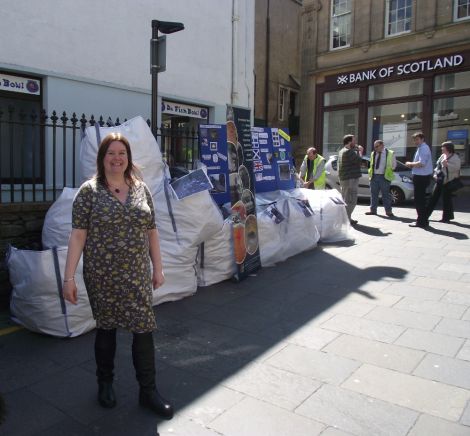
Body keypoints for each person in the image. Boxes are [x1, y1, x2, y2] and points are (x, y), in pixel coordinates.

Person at [63, 133, 174, 419]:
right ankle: (105, 384)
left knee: (143, 328)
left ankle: (148, 391)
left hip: (136, 273)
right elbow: (77, 235)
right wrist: (69, 278)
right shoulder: (89, 191)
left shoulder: (141, 189)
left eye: (121, 153)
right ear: (102, 158)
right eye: (111, 153)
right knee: (107, 327)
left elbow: (152, 231)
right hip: (102, 274)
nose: (117, 158)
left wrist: (158, 268)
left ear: (128, 158)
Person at [426, 141, 461, 223]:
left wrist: (447, 165)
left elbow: (457, 167)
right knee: (433, 198)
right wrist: (435, 174)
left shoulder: (455, 157)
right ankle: (425, 215)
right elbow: (437, 166)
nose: (441, 148)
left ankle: (446, 217)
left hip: (448, 181)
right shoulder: (442, 156)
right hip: (440, 179)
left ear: (448, 148)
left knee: (447, 199)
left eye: (443, 147)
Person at [405, 132, 433, 228]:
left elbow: (421, 163)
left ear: (422, 139)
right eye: (414, 140)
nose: (415, 142)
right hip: (420, 176)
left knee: (419, 200)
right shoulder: (421, 148)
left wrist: (410, 164)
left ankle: (421, 222)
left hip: (421, 177)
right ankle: (423, 220)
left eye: (417, 139)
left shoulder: (424, 148)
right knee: (420, 200)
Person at [366, 139, 397, 218]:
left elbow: (394, 165)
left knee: (385, 195)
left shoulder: (390, 153)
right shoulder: (373, 153)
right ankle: (373, 210)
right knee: (373, 194)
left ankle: (388, 211)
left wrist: (388, 171)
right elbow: (371, 164)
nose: (375, 148)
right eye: (374, 147)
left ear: (382, 145)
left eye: (377, 146)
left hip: (384, 177)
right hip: (374, 176)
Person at [338, 134, 363, 224]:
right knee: (352, 201)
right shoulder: (349, 152)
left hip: (344, 179)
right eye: (354, 141)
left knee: (346, 200)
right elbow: (359, 161)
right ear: (349, 142)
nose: (355, 142)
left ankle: (347, 218)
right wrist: (360, 151)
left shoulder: (342, 151)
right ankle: (346, 220)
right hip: (350, 179)